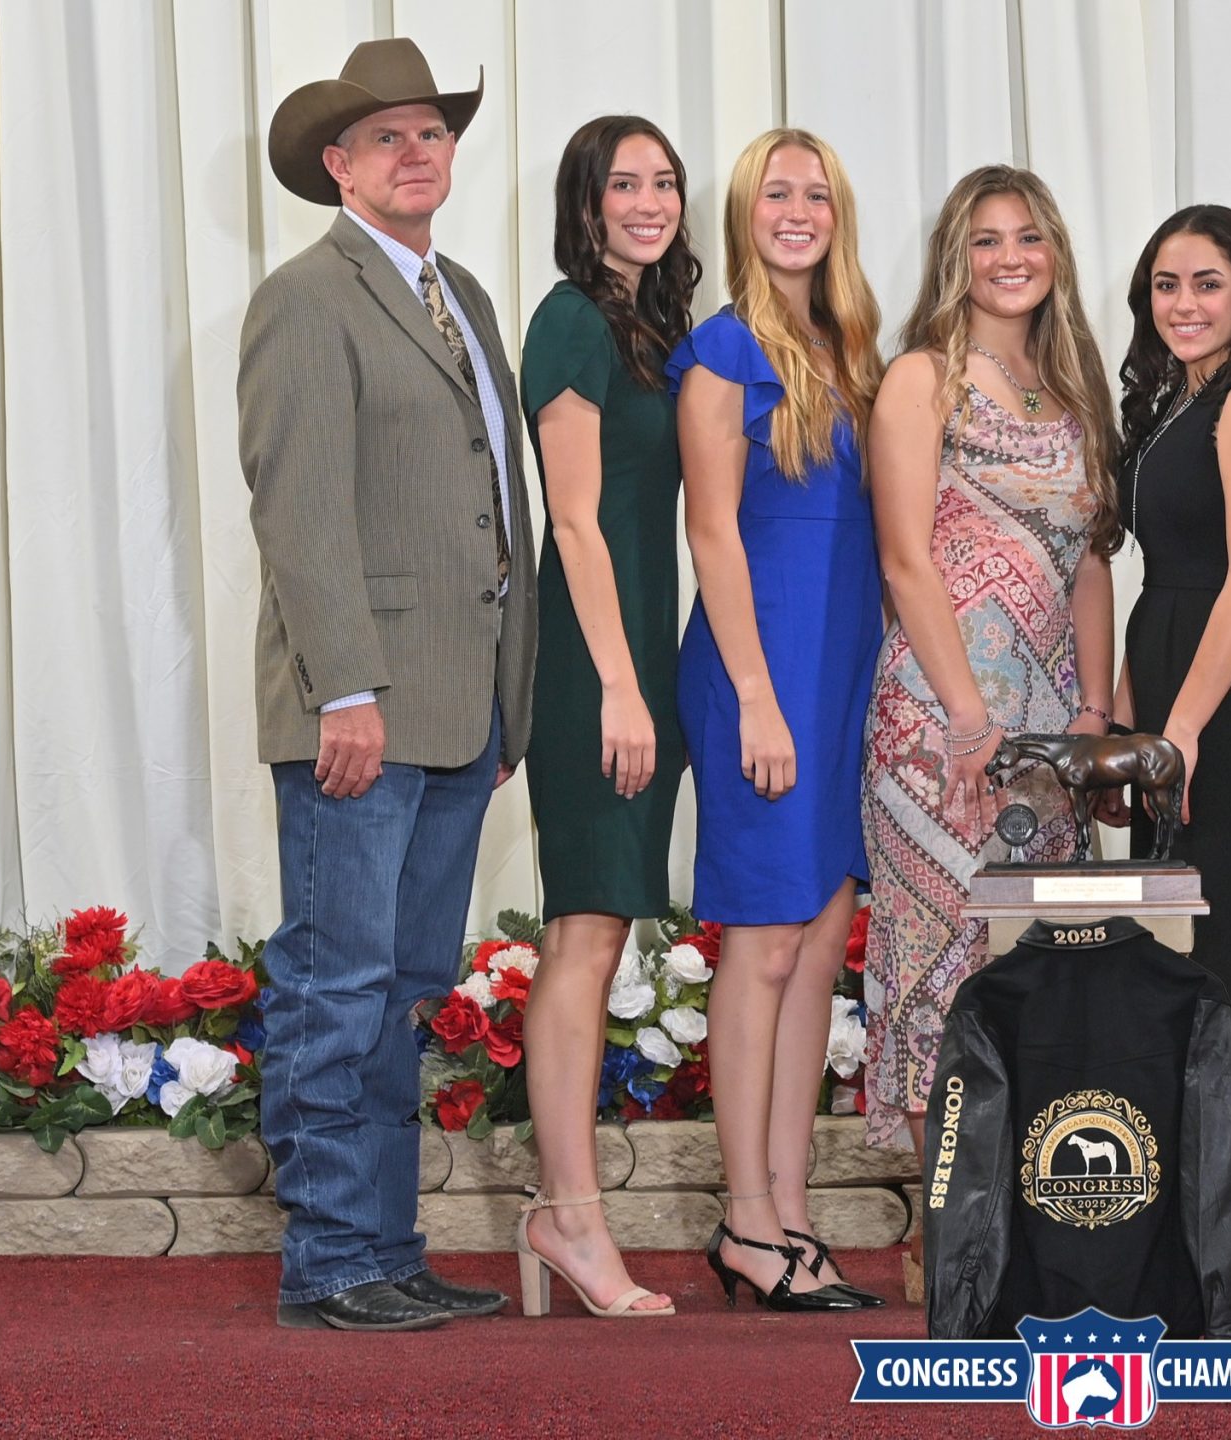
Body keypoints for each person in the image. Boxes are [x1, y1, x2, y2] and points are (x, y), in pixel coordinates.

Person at [239, 39, 531, 1332]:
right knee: (337, 976)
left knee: (404, 982)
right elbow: (298, 513)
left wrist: (511, 695)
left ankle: (385, 1245)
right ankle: (332, 1262)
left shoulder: (460, 289)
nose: (420, 154)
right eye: (390, 138)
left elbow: (494, 505)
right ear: (338, 167)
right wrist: (340, 689)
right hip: (360, 707)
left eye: (433, 133)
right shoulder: (306, 297)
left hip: (462, 705)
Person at [861, 165, 1120, 1300]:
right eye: (983, 241)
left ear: (1054, 252)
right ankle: (945, 1239)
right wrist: (967, 715)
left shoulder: (1072, 389)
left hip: (1048, 733)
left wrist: (1093, 718)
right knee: (940, 968)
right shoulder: (922, 378)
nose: (1008, 256)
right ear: (953, 259)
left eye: (1027, 237)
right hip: (938, 717)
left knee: (1031, 975)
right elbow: (905, 554)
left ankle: (1018, 1226)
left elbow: (1094, 559)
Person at [672, 128, 884, 1313]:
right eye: (775, 194)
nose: (796, 211)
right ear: (744, 213)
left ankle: (790, 1208)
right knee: (761, 945)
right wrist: (753, 694)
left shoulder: (848, 348)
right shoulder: (722, 351)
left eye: (815, 194)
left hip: (846, 668)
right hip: (764, 672)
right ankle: (745, 1222)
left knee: (818, 944)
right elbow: (712, 535)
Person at [511, 114, 699, 1319]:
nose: (648, 199)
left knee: (606, 927)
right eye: (623, 182)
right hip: (597, 664)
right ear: (585, 201)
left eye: (664, 180)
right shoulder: (571, 318)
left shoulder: (653, 325)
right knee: (585, 930)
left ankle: (562, 1213)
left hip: (643, 656)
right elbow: (574, 521)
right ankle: (570, 1217)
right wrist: (622, 682)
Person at [1111, 204, 1231, 1307]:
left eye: (1205, 284)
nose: (1183, 304)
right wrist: (1132, 721)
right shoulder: (1172, 403)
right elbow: (1162, 583)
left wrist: (1180, 730)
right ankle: (1190, 1207)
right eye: (1164, 285)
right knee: (1176, 966)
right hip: (1173, 695)